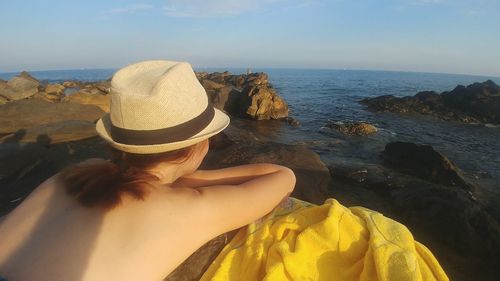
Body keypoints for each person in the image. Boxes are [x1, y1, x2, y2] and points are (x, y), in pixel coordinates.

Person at [0, 61, 296, 281]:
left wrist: (175, 179)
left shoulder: (75, 173)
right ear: (195, 147)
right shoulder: (185, 209)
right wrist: (190, 183)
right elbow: (283, 177)